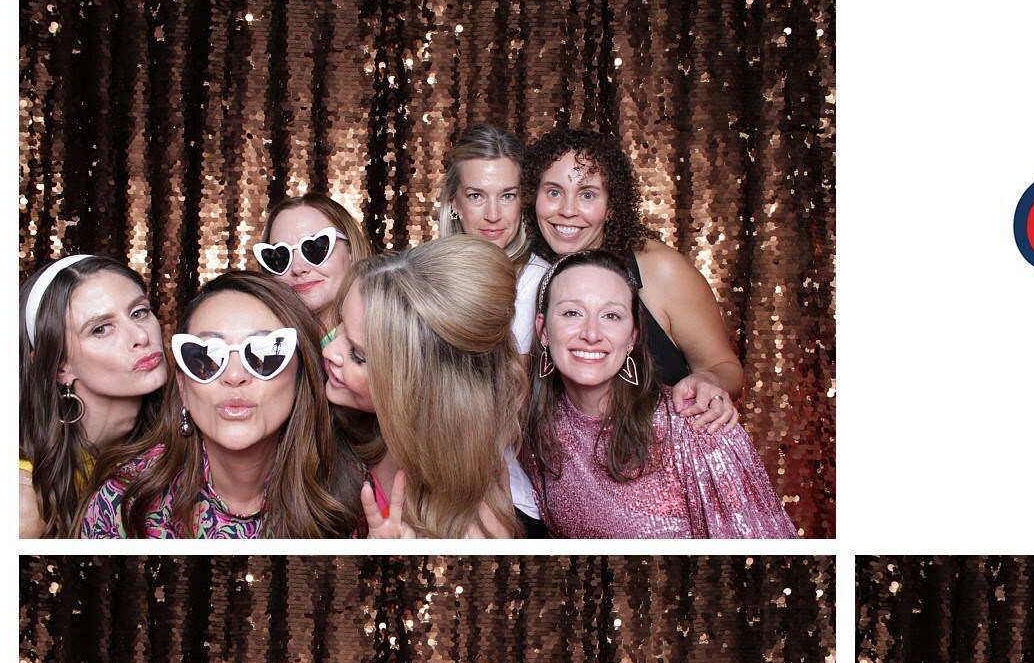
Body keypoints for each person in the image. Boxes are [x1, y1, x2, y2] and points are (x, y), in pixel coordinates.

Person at [520, 250, 796, 538]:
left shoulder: (697, 426)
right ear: (543, 330)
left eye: (612, 315)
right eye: (572, 313)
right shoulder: (536, 428)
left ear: (632, 338)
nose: (591, 334)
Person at [79, 271, 360, 538]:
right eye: (206, 357)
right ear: (183, 387)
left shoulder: (352, 493)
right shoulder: (121, 503)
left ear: (300, 377)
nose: (234, 376)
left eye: (264, 354)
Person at [524, 128, 742, 434]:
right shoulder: (530, 274)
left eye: (587, 195)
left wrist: (709, 380)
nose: (567, 210)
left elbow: (726, 368)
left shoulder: (660, 270)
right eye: (554, 192)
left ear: (612, 206)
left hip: (665, 453)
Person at [340, 238, 524, 538]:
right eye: (339, 326)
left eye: (356, 354)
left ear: (417, 386)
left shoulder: (475, 529)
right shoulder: (356, 427)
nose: (328, 351)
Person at [19, 255, 167, 536]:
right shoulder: (26, 500)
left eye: (139, 312)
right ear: (60, 367)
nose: (140, 336)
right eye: (101, 329)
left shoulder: (177, 439)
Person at [436, 123, 544, 351]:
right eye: (476, 196)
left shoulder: (538, 282)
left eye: (508, 196)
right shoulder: (425, 274)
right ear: (454, 203)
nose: (493, 215)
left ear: (523, 200)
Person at [254, 194, 374, 347]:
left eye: (315, 248)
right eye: (280, 256)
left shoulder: (383, 337)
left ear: (350, 251)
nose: (298, 268)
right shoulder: (265, 346)